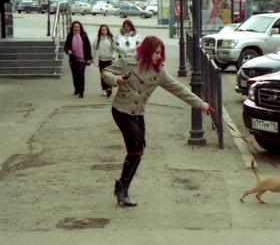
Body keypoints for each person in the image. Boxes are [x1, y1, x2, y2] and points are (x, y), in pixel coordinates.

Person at [102, 36, 211, 207]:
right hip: (121, 110)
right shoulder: (127, 62)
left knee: (139, 150)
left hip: (138, 113)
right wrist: (116, 80)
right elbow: (105, 72)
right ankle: (122, 189)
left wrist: (200, 104)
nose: (159, 56)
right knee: (136, 147)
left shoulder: (159, 72)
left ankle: (122, 187)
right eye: (156, 52)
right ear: (147, 51)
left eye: (161, 53)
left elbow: (179, 89)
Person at [64, 21, 93, 98]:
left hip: (82, 59)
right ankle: (76, 88)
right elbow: (66, 46)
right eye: (75, 27)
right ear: (72, 28)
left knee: (80, 73)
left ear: (80, 28)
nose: (76, 28)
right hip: (73, 58)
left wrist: (89, 58)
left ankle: (81, 91)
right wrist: (68, 50)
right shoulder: (70, 36)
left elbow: (88, 47)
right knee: (75, 74)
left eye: (77, 27)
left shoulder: (83, 35)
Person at [92, 24, 118, 97]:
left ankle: (109, 88)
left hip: (109, 59)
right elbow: (94, 49)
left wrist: (114, 44)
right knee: (103, 74)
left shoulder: (111, 38)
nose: (104, 31)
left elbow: (115, 48)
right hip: (101, 59)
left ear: (107, 31)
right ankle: (104, 89)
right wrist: (94, 59)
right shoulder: (97, 39)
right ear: (100, 31)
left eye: (105, 30)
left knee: (109, 74)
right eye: (102, 30)